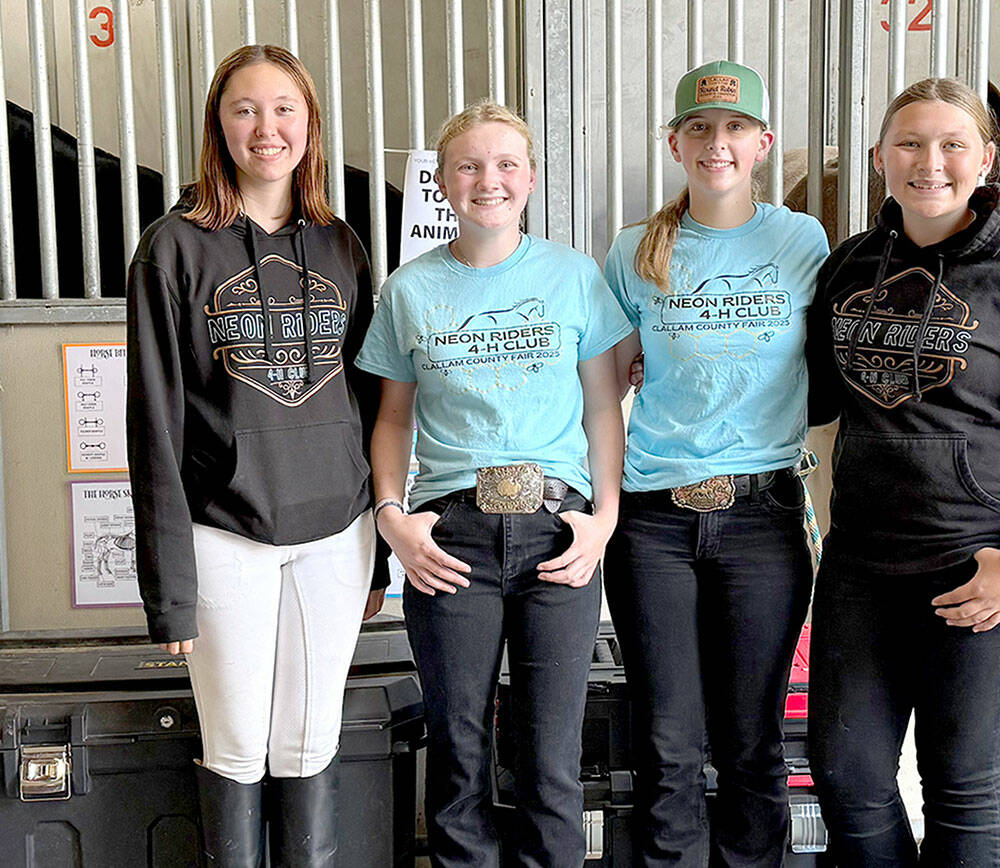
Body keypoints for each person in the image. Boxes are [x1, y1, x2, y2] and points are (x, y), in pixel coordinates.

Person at [805, 77, 1000, 867]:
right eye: (910, 143)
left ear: (986, 159)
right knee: (848, 778)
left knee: (961, 780)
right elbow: (807, 393)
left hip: (982, 567)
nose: (929, 162)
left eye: (952, 144)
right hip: (863, 569)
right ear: (881, 157)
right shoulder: (849, 267)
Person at [126, 44, 387, 866]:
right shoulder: (172, 248)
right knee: (237, 746)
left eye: (284, 109)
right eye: (245, 109)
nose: (266, 127)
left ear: (308, 125)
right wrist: (168, 587)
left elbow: (371, 406)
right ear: (219, 126)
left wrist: (377, 559)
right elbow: (154, 422)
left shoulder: (342, 246)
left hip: (336, 537)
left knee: (308, 744)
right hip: (223, 536)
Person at [356, 101, 631, 867]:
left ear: (531, 178)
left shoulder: (573, 277)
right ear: (441, 182)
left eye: (506, 164)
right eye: (468, 166)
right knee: (458, 745)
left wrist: (604, 518)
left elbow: (604, 408)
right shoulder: (410, 291)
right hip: (451, 539)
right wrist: (391, 517)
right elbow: (391, 420)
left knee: (550, 754)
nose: (489, 181)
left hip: (559, 535)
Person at [603, 60, 829, 866]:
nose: (717, 143)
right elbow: (607, 381)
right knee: (665, 743)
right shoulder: (633, 251)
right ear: (674, 141)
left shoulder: (802, 239)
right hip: (653, 522)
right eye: (699, 127)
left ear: (763, 143)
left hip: (762, 520)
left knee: (752, 743)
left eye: (735, 128)